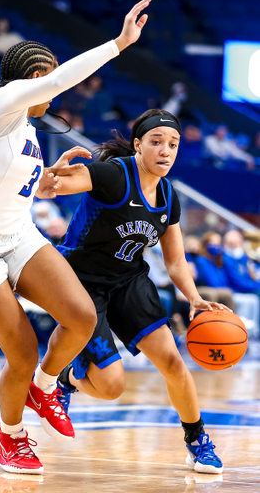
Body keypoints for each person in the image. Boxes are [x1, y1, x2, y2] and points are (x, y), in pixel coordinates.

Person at [0, 0, 153, 474]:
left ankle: (46, 387)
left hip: (15, 233)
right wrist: (119, 43)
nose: (55, 90)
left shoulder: (25, 129)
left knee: (81, 315)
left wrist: (44, 181)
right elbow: (57, 80)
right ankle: (11, 438)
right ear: (29, 80)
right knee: (21, 350)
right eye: (46, 79)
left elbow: (8, 182)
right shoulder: (0, 106)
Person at [49, 108, 227, 474]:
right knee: (111, 387)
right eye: (156, 142)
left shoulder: (167, 195)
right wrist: (53, 172)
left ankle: (197, 440)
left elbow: (175, 261)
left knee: (174, 362)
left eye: (173, 144)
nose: (165, 150)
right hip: (81, 283)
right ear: (137, 145)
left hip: (128, 281)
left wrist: (193, 298)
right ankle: (66, 378)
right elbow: (49, 188)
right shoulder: (113, 175)